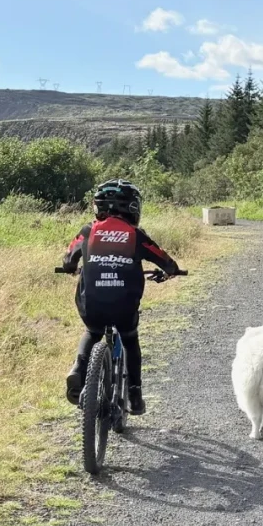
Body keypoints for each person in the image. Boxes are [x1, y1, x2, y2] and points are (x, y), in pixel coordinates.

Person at [61, 178, 180, 415]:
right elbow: (166, 262)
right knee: (129, 338)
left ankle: (79, 367)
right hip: (124, 307)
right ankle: (135, 395)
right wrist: (171, 273)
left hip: (91, 306)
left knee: (92, 331)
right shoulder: (136, 235)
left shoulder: (87, 232)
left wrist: (72, 267)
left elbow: (67, 261)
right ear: (134, 208)